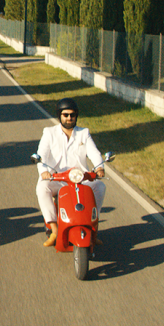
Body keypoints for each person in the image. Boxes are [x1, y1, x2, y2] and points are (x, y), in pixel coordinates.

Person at [35, 98, 106, 247]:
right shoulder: (49, 133)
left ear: (76, 116)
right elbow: (41, 154)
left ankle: (94, 230)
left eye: (72, 115)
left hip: (80, 178)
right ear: (59, 116)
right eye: (65, 114)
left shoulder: (83, 133)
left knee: (100, 187)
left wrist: (99, 167)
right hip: (57, 178)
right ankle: (54, 229)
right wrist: (44, 172)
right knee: (42, 188)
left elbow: (94, 152)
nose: (69, 118)